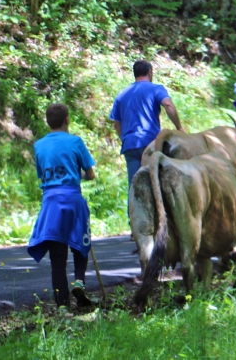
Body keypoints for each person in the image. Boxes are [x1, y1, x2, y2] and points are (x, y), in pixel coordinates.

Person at [27, 103, 95, 308]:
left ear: (48, 122)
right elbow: (90, 174)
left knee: (57, 258)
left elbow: (43, 174)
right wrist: (78, 175)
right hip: (73, 199)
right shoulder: (75, 142)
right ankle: (80, 281)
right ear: (67, 119)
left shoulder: (39, 146)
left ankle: (62, 306)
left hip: (51, 203)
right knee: (80, 244)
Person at [110, 60, 183, 195]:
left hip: (130, 146)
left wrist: (125, 139)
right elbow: (168, 105)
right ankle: (161, 215)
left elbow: (116, 124)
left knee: (135, 187)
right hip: (150, 144)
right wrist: (179, 127)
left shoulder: (122, 94)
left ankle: (134, 216)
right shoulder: (156, 89)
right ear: (150, 72)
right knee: (157, 184)